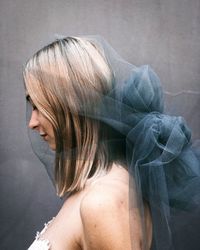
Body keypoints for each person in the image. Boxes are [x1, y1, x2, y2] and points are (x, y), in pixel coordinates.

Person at [24, 36, 200, 250]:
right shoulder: (100, 188)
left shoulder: (102, 202)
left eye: (39, 106)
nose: (32, 123)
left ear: (70, 104)